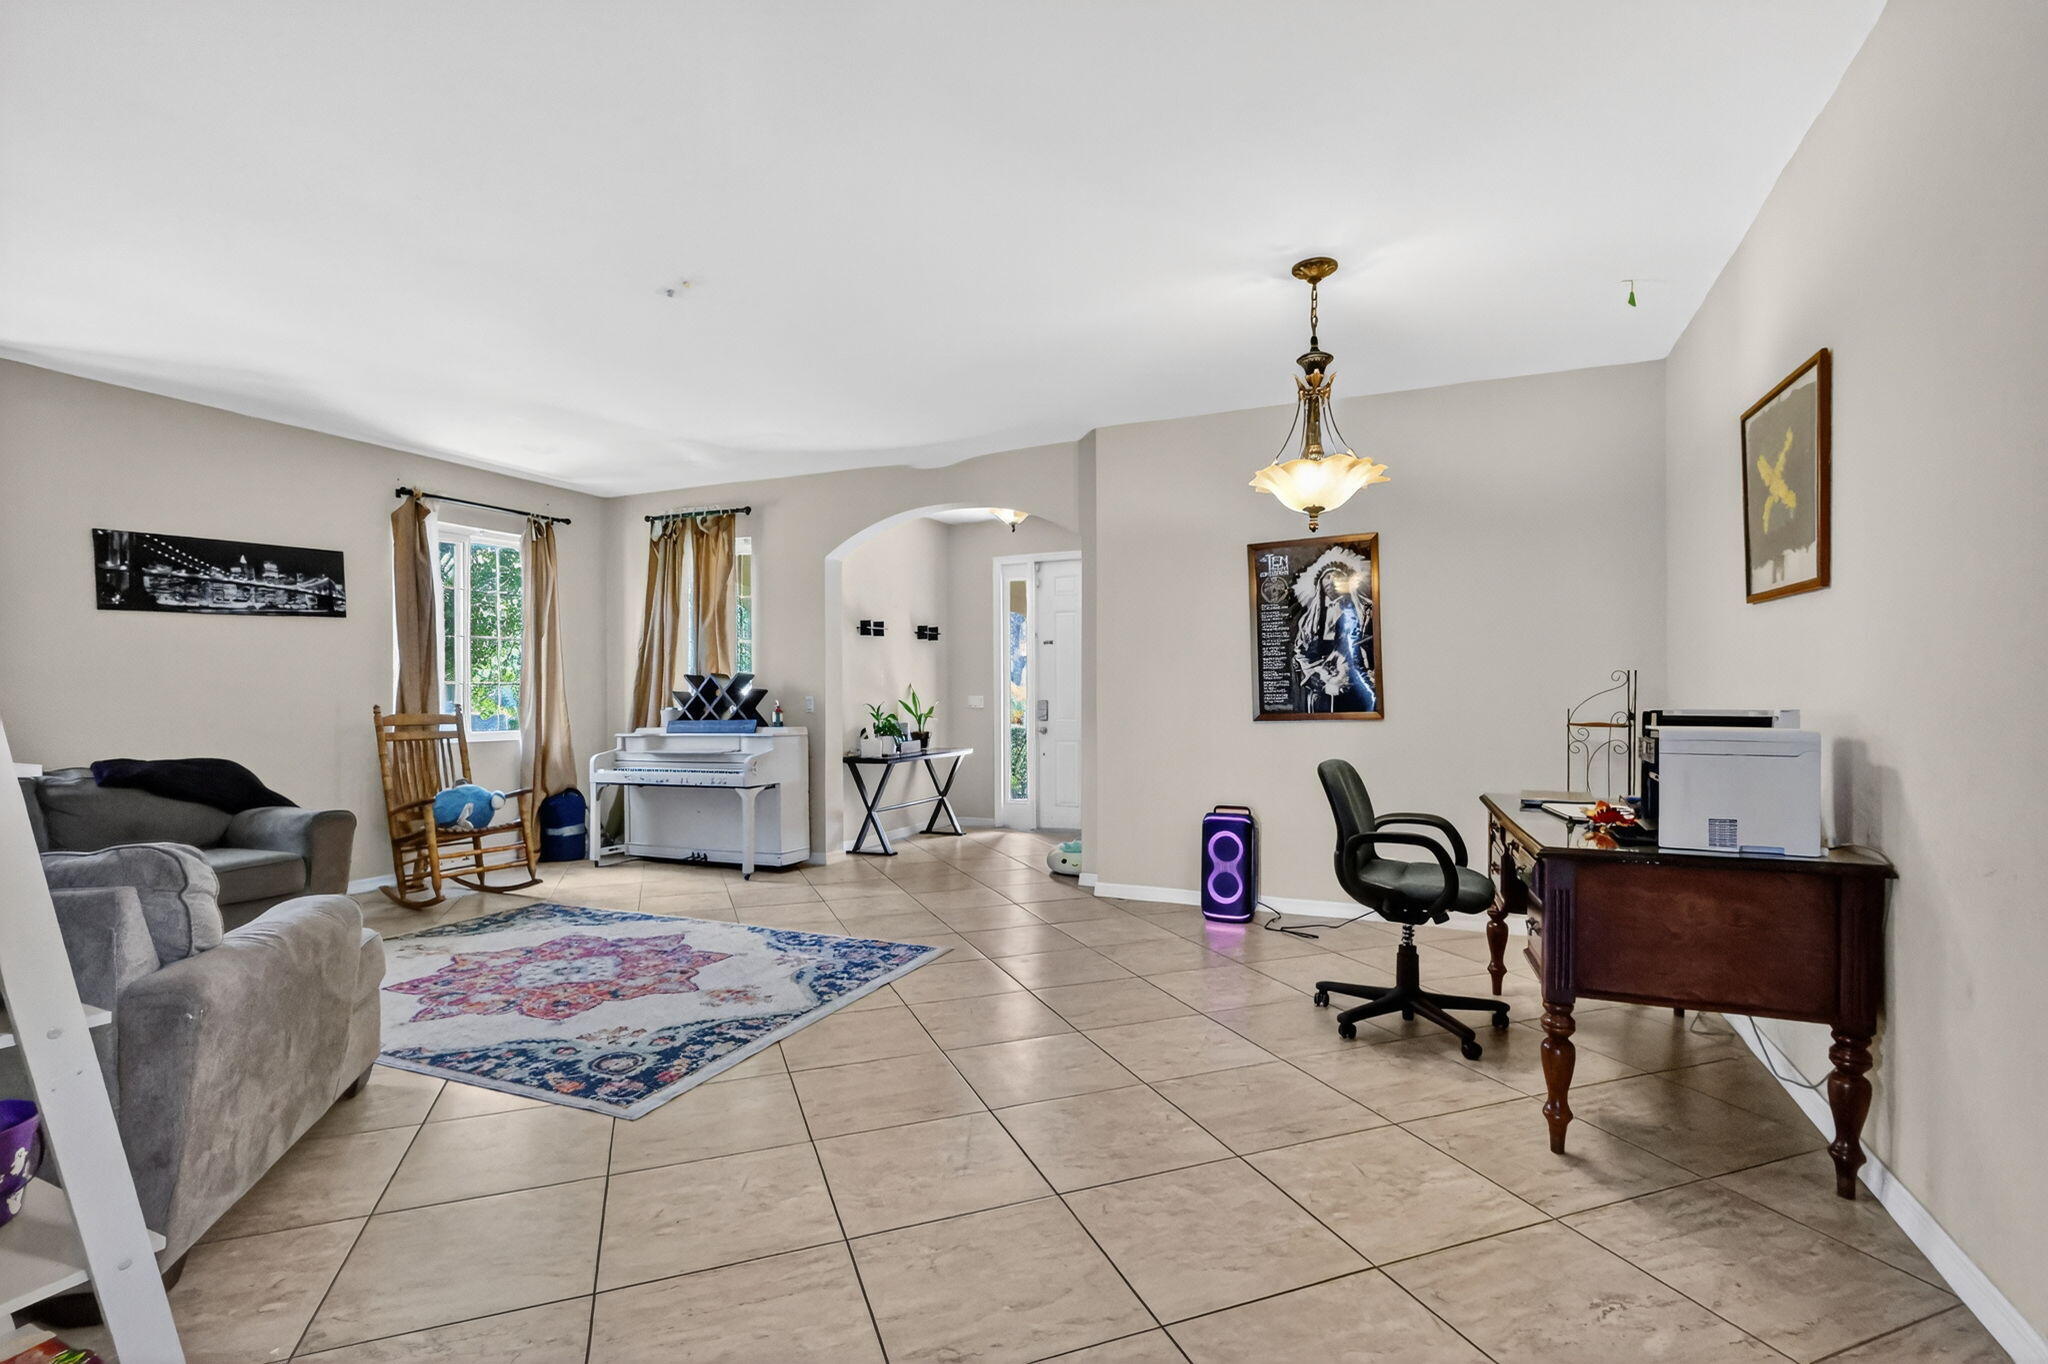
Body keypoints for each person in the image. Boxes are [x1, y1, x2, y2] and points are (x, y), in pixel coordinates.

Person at [1291, 545, 1378, 713]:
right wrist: (1313, 675)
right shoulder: (1310, 620)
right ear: (1319, 584)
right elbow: (1300, 651)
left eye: (1337, 575)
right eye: (1327, 577)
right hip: (1321, 686)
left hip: (1356, 683)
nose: (1331, 581)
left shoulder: (1364, 611)